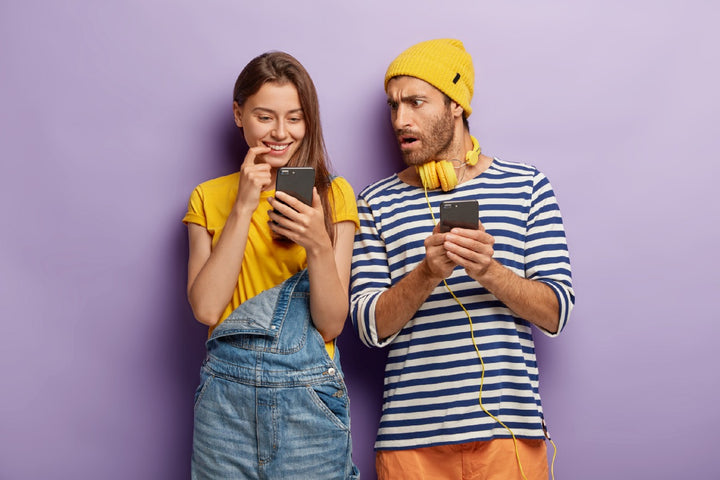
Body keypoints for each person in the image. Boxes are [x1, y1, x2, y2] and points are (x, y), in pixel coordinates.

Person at [350, 39, 575, 480]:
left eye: (416, 102)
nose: (401, 120)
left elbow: (556, 313)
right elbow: (369, 328)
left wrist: (488, 270)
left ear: (457, 105)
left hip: (509, 440)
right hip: (409, 447)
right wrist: (427, 273)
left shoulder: (528, 186)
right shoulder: (374, 202)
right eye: (393, 106)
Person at [183, 51, 359, 480]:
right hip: (226, 403)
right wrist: (243, 206)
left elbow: (332, 323)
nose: (280, 133)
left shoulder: (334, 196)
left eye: (295, 118)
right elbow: (206, 309)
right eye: (265, 117)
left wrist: (318, 243)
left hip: (310, 398)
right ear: (239, 114)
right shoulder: (208, 197)